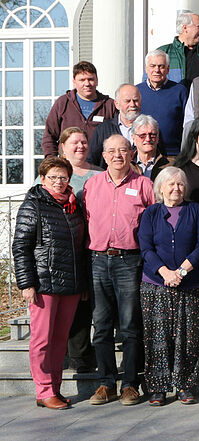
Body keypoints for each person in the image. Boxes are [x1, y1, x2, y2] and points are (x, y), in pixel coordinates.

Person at [83, 135, 155, 406]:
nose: (117, 155)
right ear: (103, 155)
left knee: (129, 326)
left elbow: (153, 222)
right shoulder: (91, 185)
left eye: (122, 150)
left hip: (130, 261)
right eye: (111, 151)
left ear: (131, 153)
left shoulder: (144, 185)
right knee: (101, 325)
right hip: (98, 260)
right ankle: (106, 383)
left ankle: (130, 384)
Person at [13, 157, 87, 410]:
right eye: (53, 177)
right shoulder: (33, 205)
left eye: (63, 177)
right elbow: (21, 248)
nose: (58, 182)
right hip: (43, 284)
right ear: (43, 179)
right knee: (42, 340)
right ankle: (43, 390)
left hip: (70, 285)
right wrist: (26, 284)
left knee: (59, 340)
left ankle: (53, 389)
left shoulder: (74, 206)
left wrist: (82, 283)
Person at [138, 167, 199, 406]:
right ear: (160, 188)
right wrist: (165, 273)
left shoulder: (196, 210)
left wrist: (180, 271)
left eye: (180, 184)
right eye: (170, 184)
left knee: (188, 338)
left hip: (190, 284)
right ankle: (157, 388)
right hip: (155, 284)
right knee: (157, 337)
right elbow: (146, 248)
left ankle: (185, 385)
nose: (176, 188)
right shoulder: (151, 213)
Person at [45, 128, 99, 373]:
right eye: (75, 142)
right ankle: (60, 357)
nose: (80, 146)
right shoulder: (51, 176)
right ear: (63, 147)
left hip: (90, 248)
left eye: (84, 142)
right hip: (59, 253)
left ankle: (82, 357)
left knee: (84, 304)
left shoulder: (99, 172)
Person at [43, 61, 116, 157]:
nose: (87, 83)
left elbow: (118, 135)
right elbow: (49, 136)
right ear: (74, 82)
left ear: (97, 80)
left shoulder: (109, 105)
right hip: (68, 166)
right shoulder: (63, 103)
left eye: (90, 79)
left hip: (100, 166)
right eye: (82, 80)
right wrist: (52, 162)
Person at [137, 49, 188, 157]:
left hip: (172, 155)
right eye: (152, 66)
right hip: (143, 154)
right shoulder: (137, 91)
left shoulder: (179, 91)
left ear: (168, 69)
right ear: (146, 69)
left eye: (161, 66)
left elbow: (187, 123)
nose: (157, 70)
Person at [86, 83, 143, 167]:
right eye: (127, 101)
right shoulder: (103, 130)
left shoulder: (149, 129)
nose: (132, 105)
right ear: (117, 104)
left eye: (135, 100)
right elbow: (91, 161)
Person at [156, 11, 199, 91]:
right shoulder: (163, 53)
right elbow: (148, 83)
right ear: (185, 28)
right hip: (172, 103)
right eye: (198, 26)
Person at [131, 115, 169, 180]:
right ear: (133, 138)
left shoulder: (169, 165)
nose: (148, 139)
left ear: (157, 138)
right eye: (142, 135)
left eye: (152, 135)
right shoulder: (127, 165)